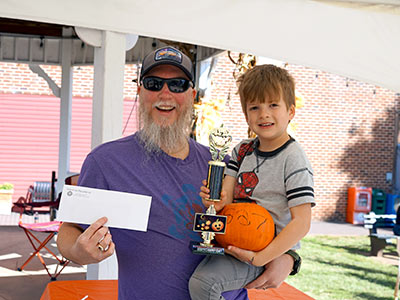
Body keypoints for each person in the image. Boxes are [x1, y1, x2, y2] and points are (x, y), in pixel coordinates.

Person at [57, 47, 295, 300]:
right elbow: (69, 229)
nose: (165, 94)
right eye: (153, 83)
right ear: (140, 92)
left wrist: (289, 257)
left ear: (192, 95)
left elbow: (269, 215)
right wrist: (80, 251)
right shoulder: (106, 162)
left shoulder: (224, 165)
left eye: (177, 85)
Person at [189, 64, 315, 300]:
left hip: (263, 250)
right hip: (232, 239)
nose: (264, 114)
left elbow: (302, 223)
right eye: (254, 107)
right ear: (246, 115)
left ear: (290, 111)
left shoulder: (294, 158)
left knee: (203, 285)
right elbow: (224, 199)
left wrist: (262, 258)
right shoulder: (242, 150)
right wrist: (213, 201)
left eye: (273, 105)